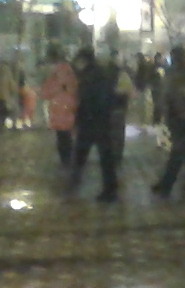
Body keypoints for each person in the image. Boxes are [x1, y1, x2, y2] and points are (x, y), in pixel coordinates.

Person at [72, 43, 128, 201]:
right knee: (103, 157)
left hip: (93, 121)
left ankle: (77, 186)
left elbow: (91, 99)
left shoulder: (91, 76)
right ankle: (109, 188)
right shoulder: (97, 74)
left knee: (90, 156)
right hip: (99, 120)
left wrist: (83, 116)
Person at [150, 46, 185, 199]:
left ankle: (167, 184)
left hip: (177, 117)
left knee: (180, 151)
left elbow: (165, 96)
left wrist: (160, 114)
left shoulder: (171, 73)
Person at [41, 48, 79, 172]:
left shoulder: (53, 75)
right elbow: (75, 90)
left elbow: (46, 93)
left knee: (61, 136)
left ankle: (65, 159)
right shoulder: (71, 74)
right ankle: (68, 158)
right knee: (67, 135)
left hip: (57, 109)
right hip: (69, 108)